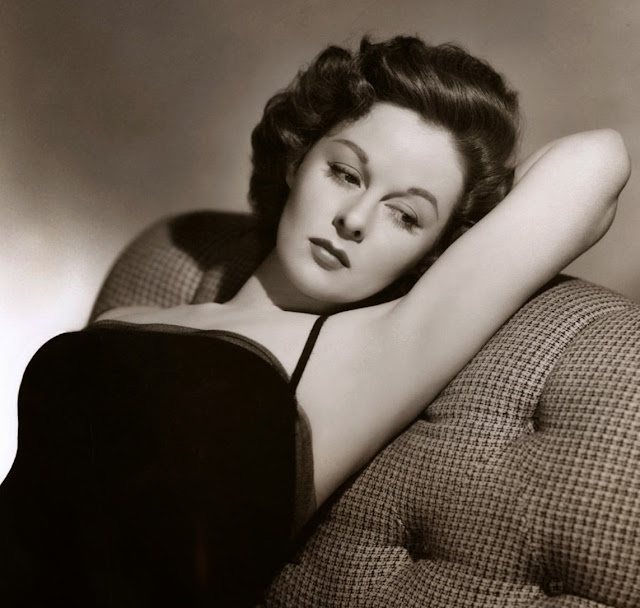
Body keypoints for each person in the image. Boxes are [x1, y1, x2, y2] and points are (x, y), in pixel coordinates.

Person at [0, 35, 630, 607]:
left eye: (406, 215)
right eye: (345, 173)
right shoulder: (128, 315)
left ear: (435, 250)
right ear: (296, 161)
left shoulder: (374, 351)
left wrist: (472, 213)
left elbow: (598, 160)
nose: (354, 220)